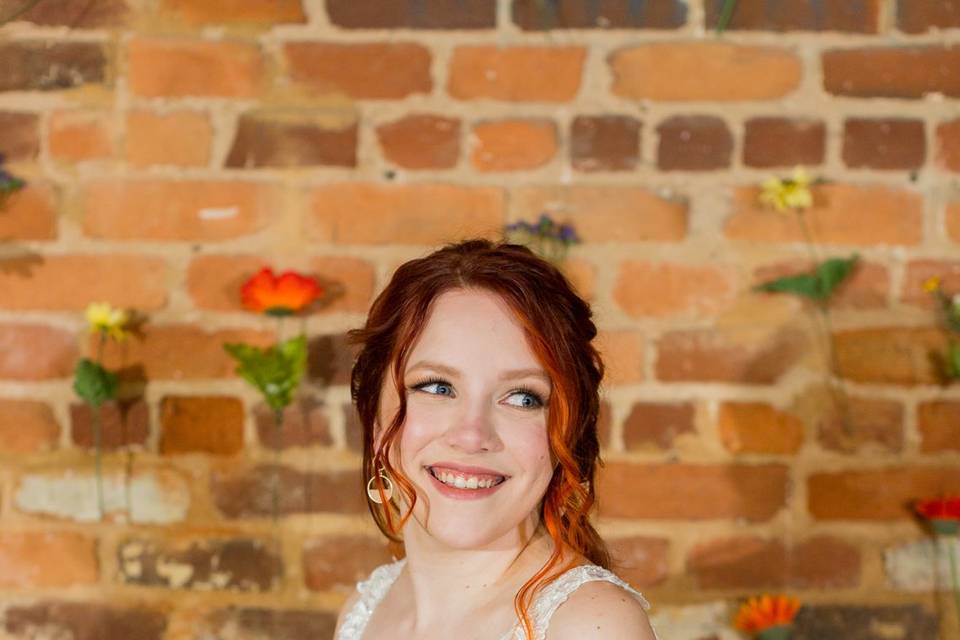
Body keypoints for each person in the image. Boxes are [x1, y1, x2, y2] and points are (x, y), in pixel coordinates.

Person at [335, 239, 659, 640]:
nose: (472, 436)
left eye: (523, 398)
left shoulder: (591, 627)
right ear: (374, 411)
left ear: (568, 430)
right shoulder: (366, 611)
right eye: (437, 387)